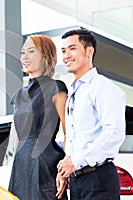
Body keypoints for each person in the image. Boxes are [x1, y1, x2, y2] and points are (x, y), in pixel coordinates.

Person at [57, 28, 126, 199]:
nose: (66, 56)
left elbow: (114, 133)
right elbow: (74, 139)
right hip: (78, 181)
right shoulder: (74, 91)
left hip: (98, 179)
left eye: (72, 49)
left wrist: (76, 161)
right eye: (63, 51)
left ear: (89, 51)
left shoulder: (101, 86)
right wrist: (67, 169)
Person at [8, 35, 68, 200]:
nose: (24, 57)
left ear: (46, 55)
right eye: (22, 53)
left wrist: (64, 169)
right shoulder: (19, 95)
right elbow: (17, 138)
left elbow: (69, 132)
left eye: (31, 51)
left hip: (45, 163)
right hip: (21, 164)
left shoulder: (56, 88)